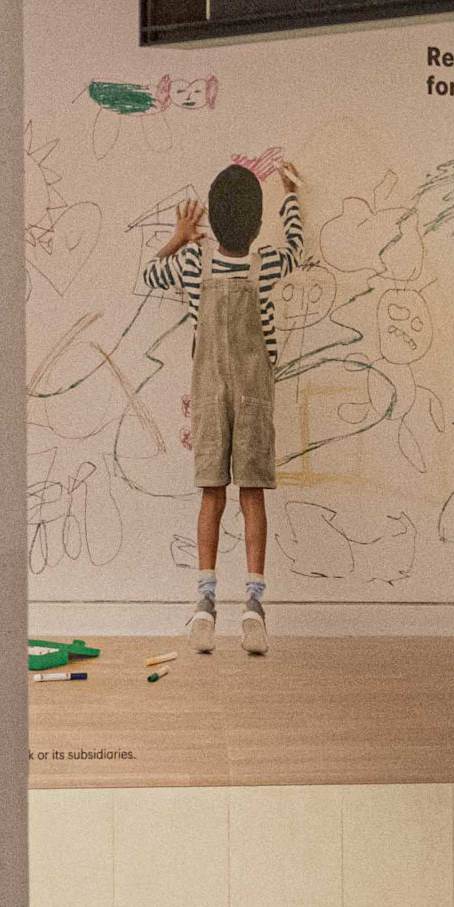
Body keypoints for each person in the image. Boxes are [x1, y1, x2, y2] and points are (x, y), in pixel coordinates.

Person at [147, 158, 306, 654]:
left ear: (211, 222)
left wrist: (178, 234)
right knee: (252, 495)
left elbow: (150, 273)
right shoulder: (267, 264)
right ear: (258, 224)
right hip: (256, 395)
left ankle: (204, 604)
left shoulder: (196, 262)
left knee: (211, 495)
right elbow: (297, 249)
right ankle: (254, 606)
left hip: (210, 394)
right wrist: (293, 197)